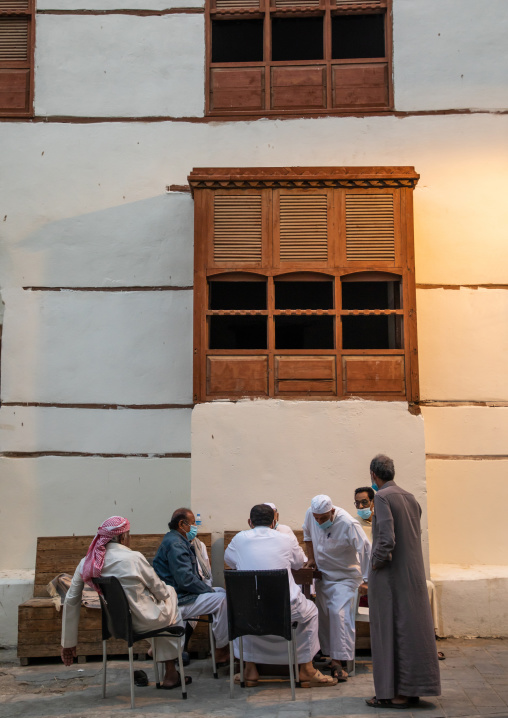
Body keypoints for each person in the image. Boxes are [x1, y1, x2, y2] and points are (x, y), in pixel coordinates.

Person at [60, 516, 187, 689]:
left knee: (163, 610)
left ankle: (160, 652)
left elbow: (71, 600)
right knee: (170, 594)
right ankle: (169, 668)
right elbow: (161, 591)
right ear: (123, 537)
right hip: (146, 623)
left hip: (117, 625)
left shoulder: (87, 562)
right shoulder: (133, 558)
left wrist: (68, 643)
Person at [224, 504, 336, 688]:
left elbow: (229, 559)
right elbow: (300, 562)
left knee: (247, 613)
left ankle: (250, 670)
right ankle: (306, 669)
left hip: (249, 611)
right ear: (274, 521)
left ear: (249, 522)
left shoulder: (239, 538)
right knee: (311, 612)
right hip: (284, 609)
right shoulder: (285, 538)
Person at [366, 455, 441, 709]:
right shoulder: (410, 497)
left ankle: (394, 694)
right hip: (413, 576)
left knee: (389, 633)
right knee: (411, 633)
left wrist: (375, 562)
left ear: (373, 476)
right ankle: (411, 690)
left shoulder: (382, 497)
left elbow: (386, 540)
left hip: (391, 579)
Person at [303, 494, 371, 681]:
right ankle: (330, 656)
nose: (319, 521)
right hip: (324, 576)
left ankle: (339, 662)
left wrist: (366, 580)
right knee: (323, 615)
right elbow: (307, 535)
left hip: (346, 578)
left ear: (332, 511)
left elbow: (365, 548)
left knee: (338, 613)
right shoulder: (311, 514)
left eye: (323, 518)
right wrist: (311, 559)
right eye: (316, 518)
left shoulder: (348, 523)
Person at [153, 508, 229, 664]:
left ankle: (221, 646)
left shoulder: (175, 540)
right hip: (177, 601)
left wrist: (209, 591)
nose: (195, 526)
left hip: (180, 595)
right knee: (223, 599)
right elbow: (186, 580)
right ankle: (222, 650)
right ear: (182, 524)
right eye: (193, 523)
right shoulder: (176, 544)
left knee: (220, 591)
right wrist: (208, 590)